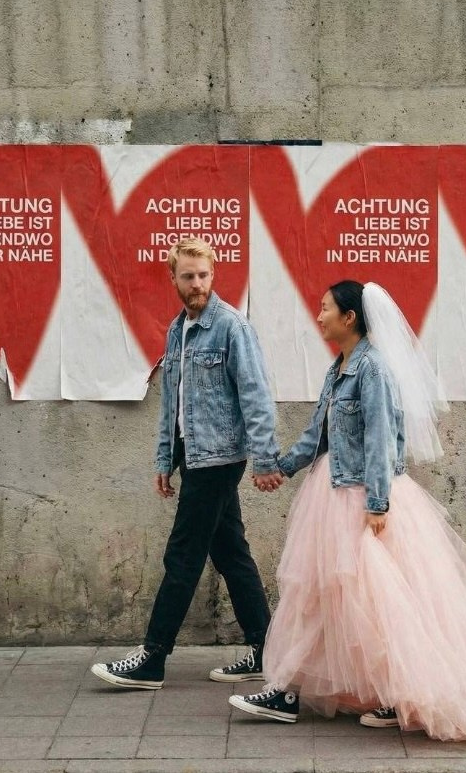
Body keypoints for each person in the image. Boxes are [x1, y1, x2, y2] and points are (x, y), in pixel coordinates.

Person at [228, 281, 466, 751]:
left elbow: (383, 440)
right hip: (334, 493)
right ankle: (302, 692)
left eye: (325, 309)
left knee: (377, 604)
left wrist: (378, 505)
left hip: (363, 497)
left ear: (349, 318)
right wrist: (279, 468)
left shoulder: (373, 370)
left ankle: (343, 694)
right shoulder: (338, 369)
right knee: (327, 596)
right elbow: (318, 435)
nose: (318, 315)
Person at [91, 237, 283, 690]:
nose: (197, 284)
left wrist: (264, 459)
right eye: (188, 277)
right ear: (173, 278)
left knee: (182, 554)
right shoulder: (178, 330)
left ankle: (152, 658)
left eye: (204, 275)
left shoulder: (232, 327)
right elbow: (171, 405)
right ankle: (266, 648)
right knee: (230, 553)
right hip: (193, 456)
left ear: (213, 275)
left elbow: (256, 397)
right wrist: (165, 458)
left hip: (219, 459)